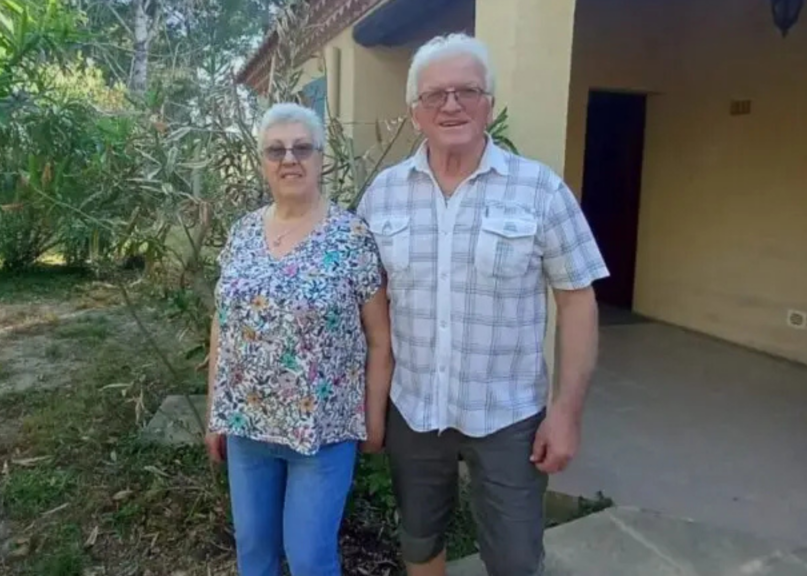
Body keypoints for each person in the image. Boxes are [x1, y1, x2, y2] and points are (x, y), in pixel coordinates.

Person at [356, 33, 608, 576]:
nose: (451, 105)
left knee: (516, 558)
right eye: (435, 95)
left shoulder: (539, 190)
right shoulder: (382, 195)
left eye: (467, 91)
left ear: (489, 104)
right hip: (414, 410)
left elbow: (579, 302)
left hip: (509, 416)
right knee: (420, 542)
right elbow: (365, 308)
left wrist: (565, 413)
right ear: (414, 112)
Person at [204, 102, 393, 576]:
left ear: (321, 157)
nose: (290, 159)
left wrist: (372, 419)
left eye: (302, 148)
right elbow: (221, 324)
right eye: (276, 150)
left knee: (310, 558)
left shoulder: (351, 236)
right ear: (262, 162)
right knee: (254, 554)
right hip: (248, 426)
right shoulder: (243, 231)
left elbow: (380, 339)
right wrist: (215, 413)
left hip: (323, 432)